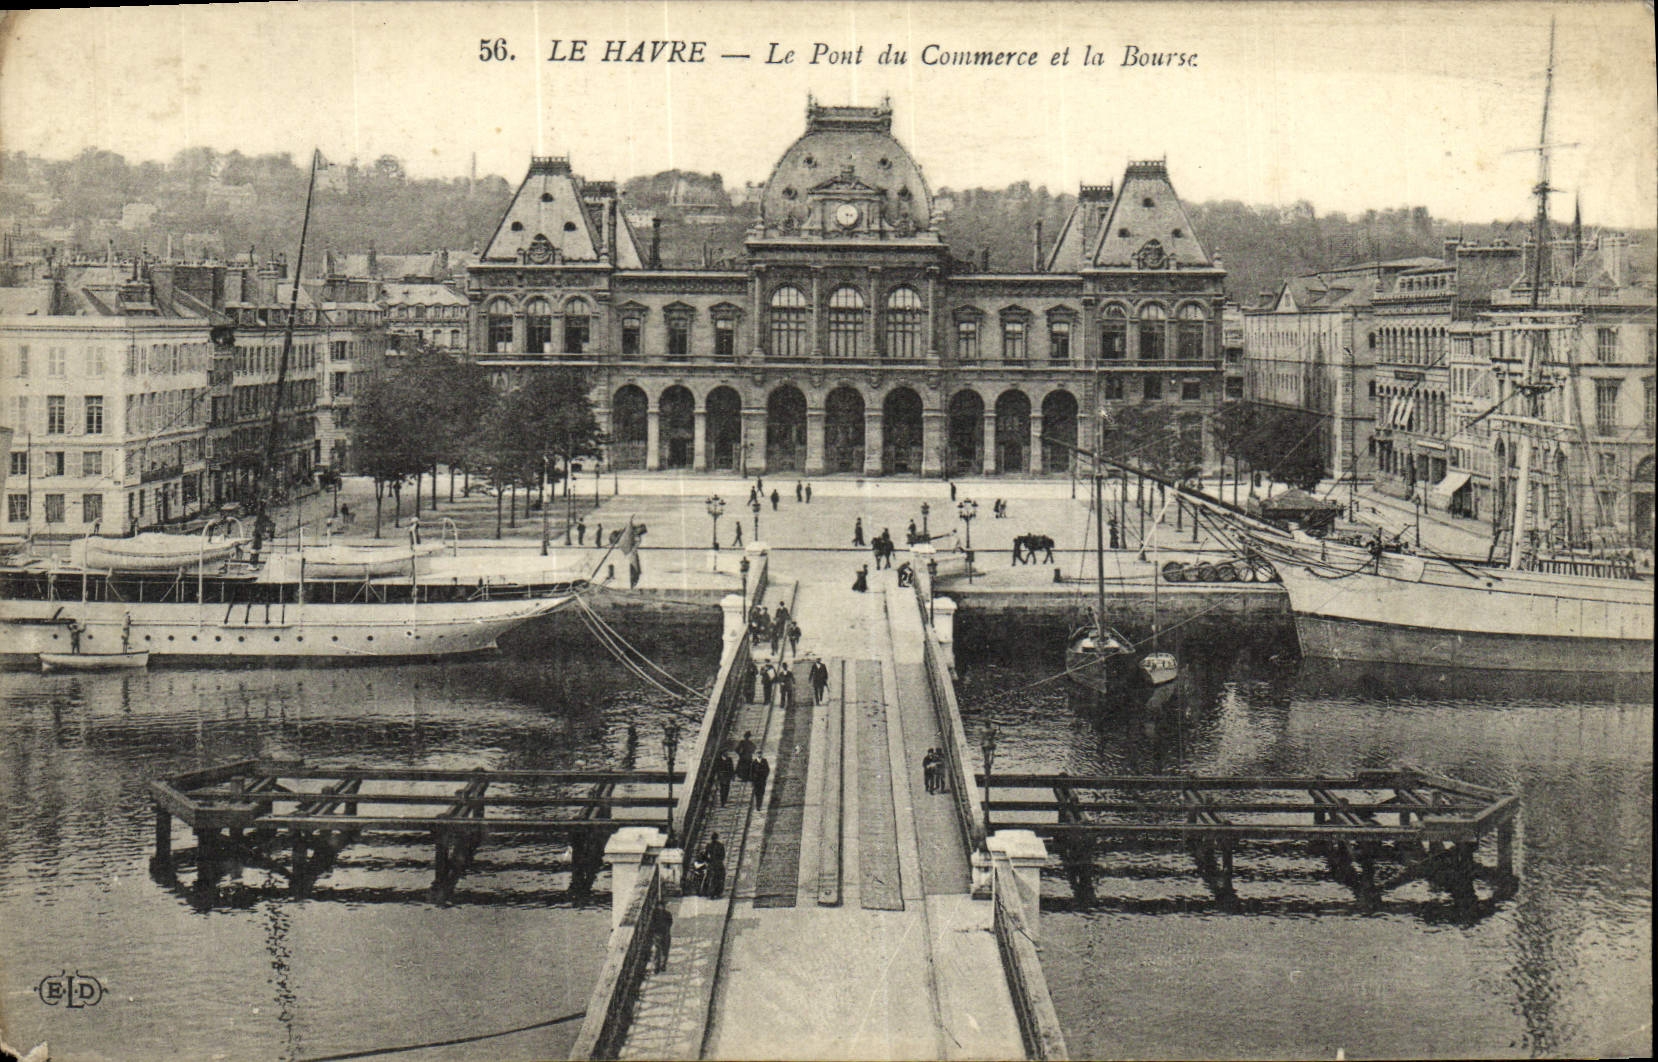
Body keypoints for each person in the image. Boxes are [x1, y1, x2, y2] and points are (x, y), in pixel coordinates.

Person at [701, 833, 727, 899]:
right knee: (720, 877)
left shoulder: (709, 845)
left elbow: (705, 856)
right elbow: (723, 856)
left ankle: (710, 893)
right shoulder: (721, 845)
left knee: (711, 878)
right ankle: (718, 893)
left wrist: (709, 860)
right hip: (719, 864)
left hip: (712, 863)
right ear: (717, 838)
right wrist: (718, 860)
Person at [650, 901, 673, 972]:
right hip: (659, 934)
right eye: (660, 906)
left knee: (663, 951)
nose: (661, 907)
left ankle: (662, 966)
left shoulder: (666, 914)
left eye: (662, 906)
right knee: (659, 951)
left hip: (663, 934)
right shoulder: (656, 914)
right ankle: (658, 966)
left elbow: (670, 922)